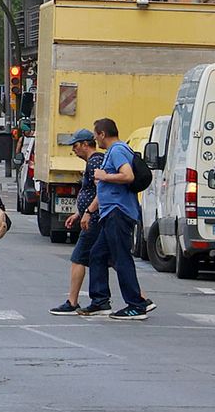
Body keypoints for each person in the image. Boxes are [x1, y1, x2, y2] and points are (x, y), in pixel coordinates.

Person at [81, 118, 156, 320]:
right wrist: (90, 210)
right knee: (97, 254)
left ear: (103, 134)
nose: (95, 139)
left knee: (121, 257)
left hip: (118, 212)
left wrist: (104, 176)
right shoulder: (114, 151)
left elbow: (128, 176)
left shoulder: (117, 150)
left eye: (96, 135)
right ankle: (100, 301)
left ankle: (136, 305)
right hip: (111, 212)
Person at [50, 129, 104, 315]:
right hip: (93, 217)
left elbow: (101, 191)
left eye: (75, 145)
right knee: (112, 259)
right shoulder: (93, 161)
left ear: (85, 144)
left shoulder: (95, 161)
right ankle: (139, 298)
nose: (73, 150)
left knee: (78, 257)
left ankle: (72, 302)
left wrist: (88, 212)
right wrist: (78, 213)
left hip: (94, 219)